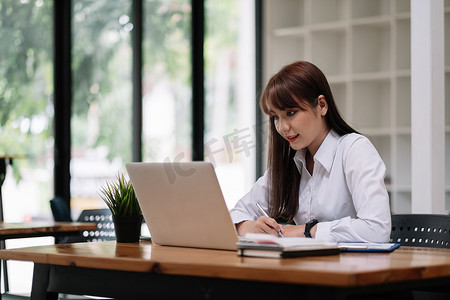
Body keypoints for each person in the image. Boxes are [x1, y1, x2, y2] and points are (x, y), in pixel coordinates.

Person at [230, 61, 391, 243]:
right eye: (276, 117)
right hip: (305, 266)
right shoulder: (292, 161)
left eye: (291, 113)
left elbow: (377, 229)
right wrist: (251, 227)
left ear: (321, 105)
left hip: (353, 268)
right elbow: (235, 214)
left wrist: (305, 231)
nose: (282, 127)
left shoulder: (354, 149)